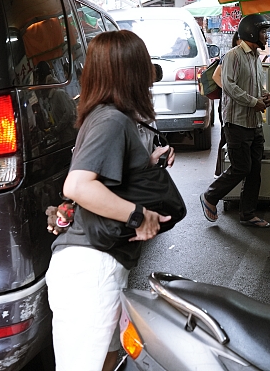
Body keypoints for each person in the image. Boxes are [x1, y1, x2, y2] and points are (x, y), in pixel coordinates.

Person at [45, 30, 175, 371]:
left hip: (100, 262)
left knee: (107, 359)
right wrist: (138, 215)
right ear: (130, 72)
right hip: (90, 268)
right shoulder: (111, 121)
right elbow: (78, 185)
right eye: (144, 66)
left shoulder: (106, 117)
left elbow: (104, 179)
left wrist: (148, 162)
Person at [200, 14, 270, 228]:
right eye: (263, 32)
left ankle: (248, 214)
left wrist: (265, 95)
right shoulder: (232, 56)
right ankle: (210, 196)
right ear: (251, 32)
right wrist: (253, 102)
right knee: (241, 167)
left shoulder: (255, 57)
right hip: (237, 122)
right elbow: (230, 86)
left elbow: (256, 85)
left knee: (254, 170)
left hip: (254, 122)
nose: (265, 36)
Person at [213, 32, 241, 153]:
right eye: (241, 39)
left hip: (236, 104)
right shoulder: (229, 56)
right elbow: (216, 76)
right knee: (226, 136)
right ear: (236, 41)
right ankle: (221, 163)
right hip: (227, 104)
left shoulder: (246, 57)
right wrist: (229, 90)